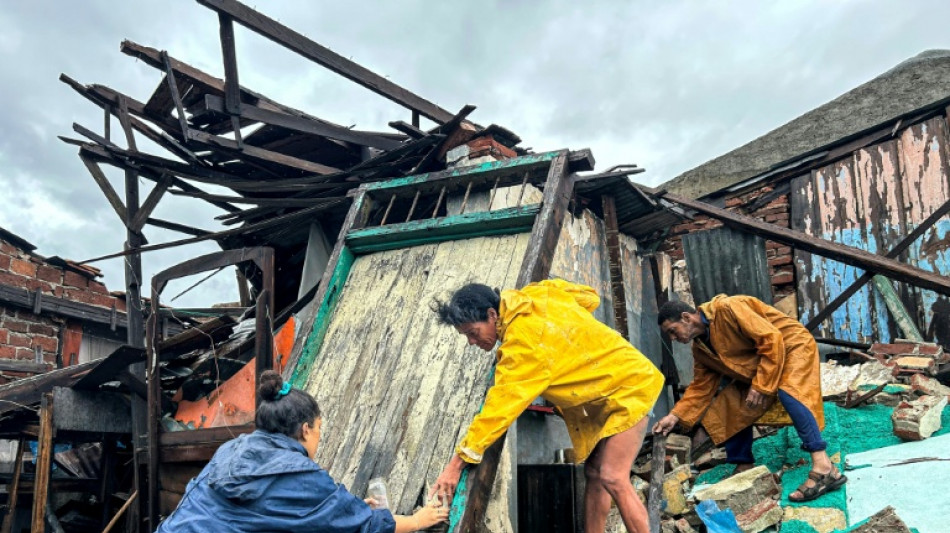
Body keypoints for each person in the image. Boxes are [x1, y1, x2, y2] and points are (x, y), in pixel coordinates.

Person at [430, 279, 664, 533]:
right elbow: (589, 297)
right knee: (595, 472)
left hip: (631, 388)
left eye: (473, 333)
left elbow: (497, 412)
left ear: (491, 314)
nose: (471, 342)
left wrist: (455, 465)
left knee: (612, 476)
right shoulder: (537, 294)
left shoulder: (522, 346)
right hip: (617, 386)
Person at [157, 370, 448, 533]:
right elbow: (366, 525)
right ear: (306, 429)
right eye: (319, 428)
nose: (319, 437)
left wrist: (341, 508)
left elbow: (258, 512)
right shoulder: (300, 473)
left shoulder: (231, 449)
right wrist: (418, 520)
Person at [652, 295, 846, 502]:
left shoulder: (728, 308)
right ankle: (744, 465)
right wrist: (675, 415)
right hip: (761, 361)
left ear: (686, 317)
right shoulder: (700, 349)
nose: (673, 338)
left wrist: (761, 384)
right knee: (732, 404)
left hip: (792, 345)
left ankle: (824, 467)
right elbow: (700, 387)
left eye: (673, 331)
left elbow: (770, 339)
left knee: (791, 393)